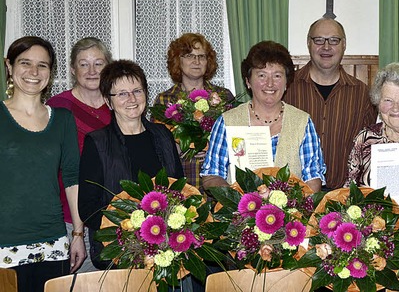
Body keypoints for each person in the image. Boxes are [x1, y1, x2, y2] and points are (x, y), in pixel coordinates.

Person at [78, 60, 183, 270]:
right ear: (108, 101)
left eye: (137, 90)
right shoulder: (97, 142)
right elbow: (88, 208)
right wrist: (132, 233)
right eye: (122, 94)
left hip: (168, 249)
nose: (132, 99)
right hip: (120, 252)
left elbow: (181, 189)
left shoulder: (163, 135)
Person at [0, 36, 85, 291]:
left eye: (43, 65)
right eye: (25, 63)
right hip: (4, 241)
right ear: (9, 66)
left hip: (53, 243)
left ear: (51, 71)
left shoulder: (63, 119)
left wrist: (78, 235)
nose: (33, 72)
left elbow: (73, 178)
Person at [201, 41, 326, 192]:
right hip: (239, 212)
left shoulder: (302, 122)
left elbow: (312, 179)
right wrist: (236, 200)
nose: (270, 83)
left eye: (277, 76)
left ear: (287, 82)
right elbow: (211, 175)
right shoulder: (227, 121)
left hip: (292, 213)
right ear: (248, 81)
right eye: (262, 75)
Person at [282, 18, 377, 190]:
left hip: (344, 194)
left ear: (344, 45)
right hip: (295, 194)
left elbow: (368, 147)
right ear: (308, 43)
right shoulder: (287, 88)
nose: (326, 47)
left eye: (334, 40)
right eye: (319, 40)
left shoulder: (362, 93)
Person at [46, 37, 112, 273]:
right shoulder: (57, 107)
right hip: (67, 217)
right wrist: (77, 230)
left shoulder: (120, 105)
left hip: (113, 218)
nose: (92, 71)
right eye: (84, 64)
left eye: (98, 63)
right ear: (73, 69)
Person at [153, 33, 235, 191]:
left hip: (218, 183)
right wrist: (184, 146)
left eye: (202, 56)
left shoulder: (224, 97)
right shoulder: (164, 100)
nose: (196, 61)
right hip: (181, 181)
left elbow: (236, 141)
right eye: (189, 55)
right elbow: (159, 148)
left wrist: (210, 146)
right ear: (178, 60)